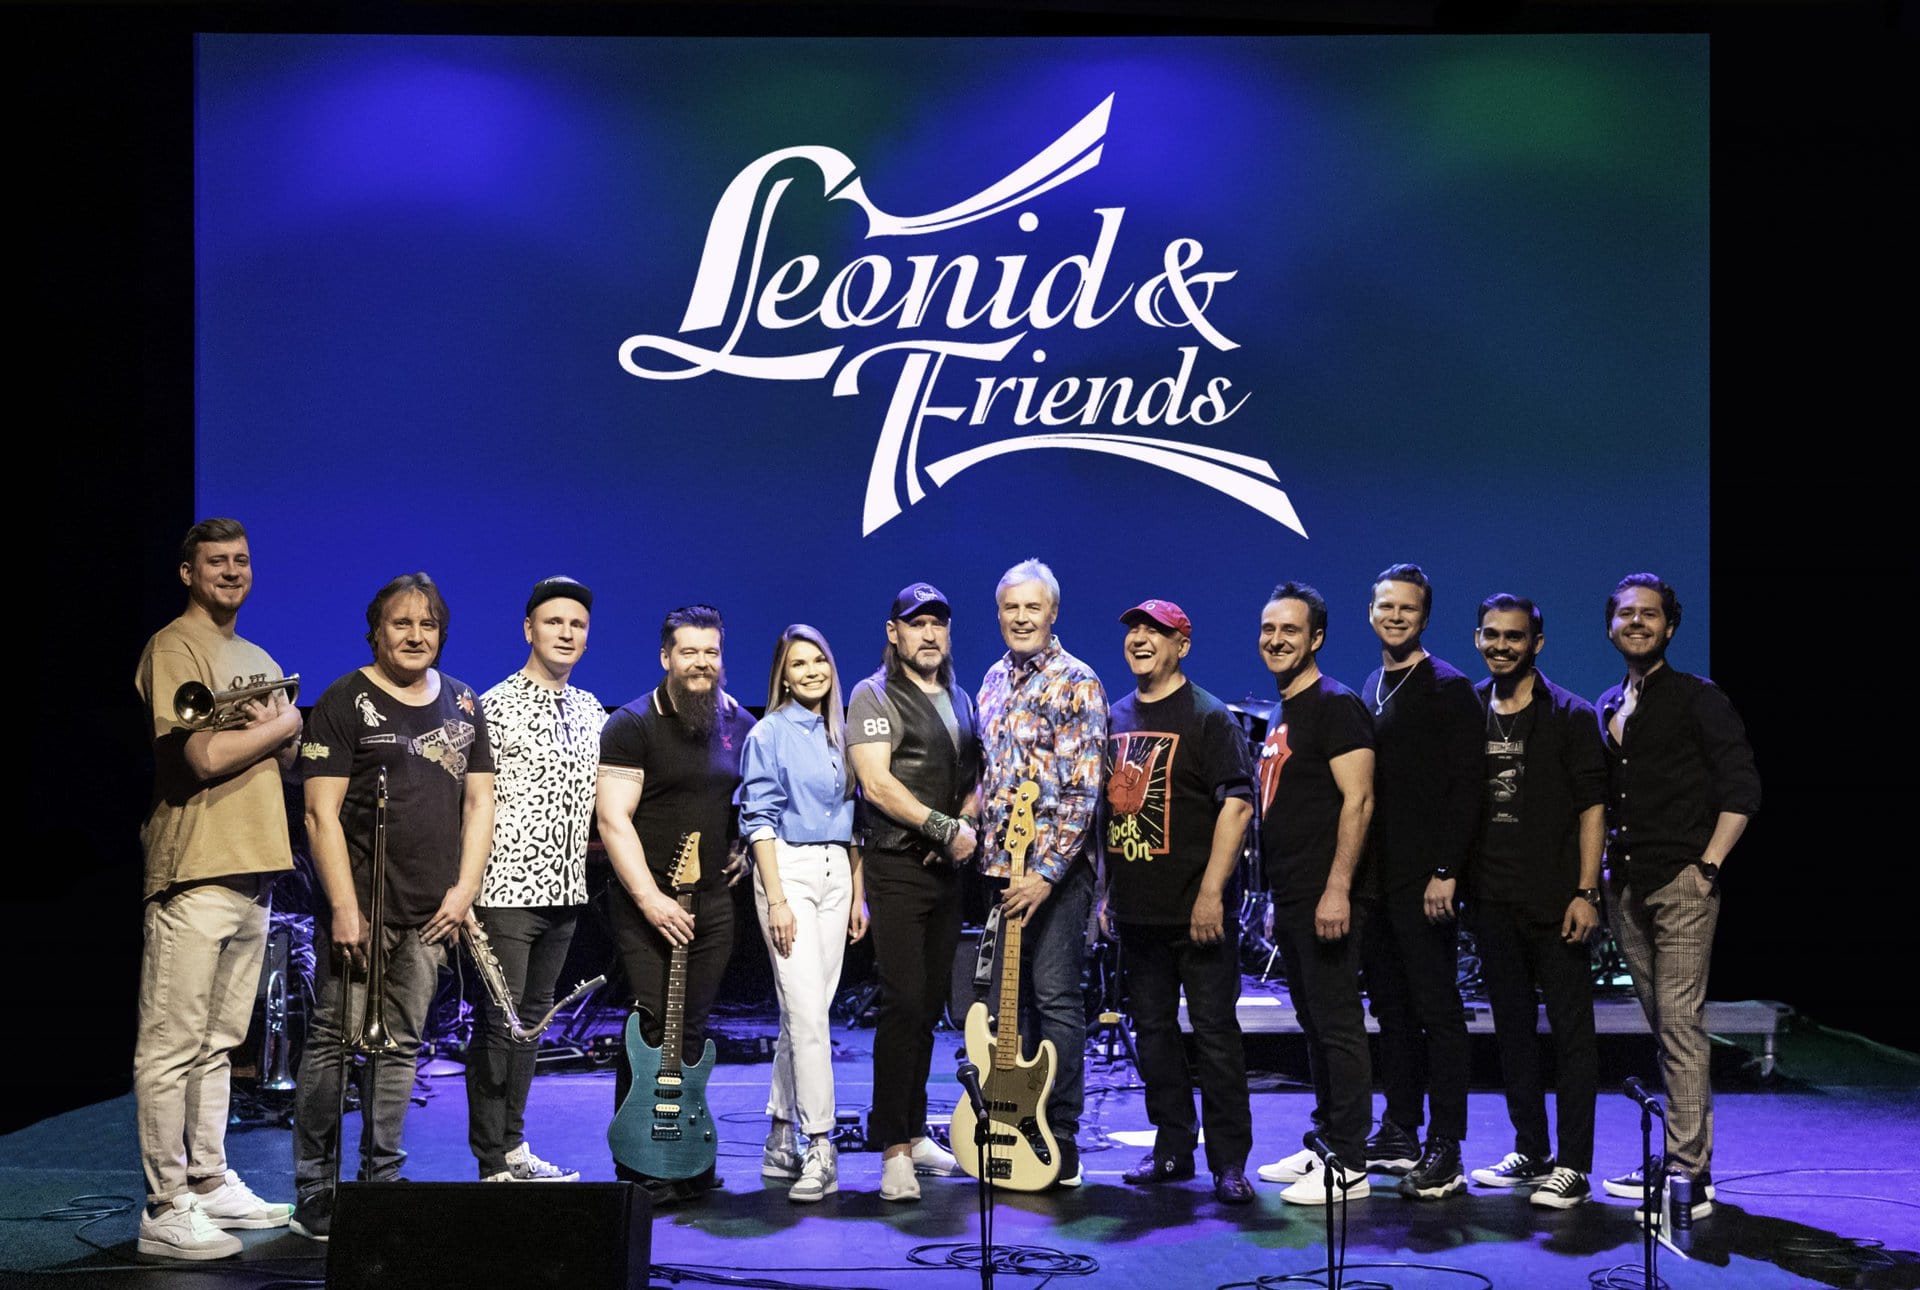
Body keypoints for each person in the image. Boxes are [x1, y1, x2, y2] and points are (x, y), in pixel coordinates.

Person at [292, 573, 497, 1241]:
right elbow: (319, 815)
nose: (415, 635)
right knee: (335, 1042)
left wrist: (464, 890)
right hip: (362, 909)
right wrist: (344, 907)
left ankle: (381, 1180)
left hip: (432, 912)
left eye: (427, 624)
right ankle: (316, 1188)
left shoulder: (463, 702)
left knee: (400, 1046)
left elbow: (480, 802)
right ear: (375, 632)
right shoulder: (344, 700)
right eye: (401, 623)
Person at [133, 518, 302, 1260]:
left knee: (220, 1043)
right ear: (188, 572)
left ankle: (206, 1179)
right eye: (216, 562)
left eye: (241, 561)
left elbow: (287, 762)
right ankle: (164, 1206)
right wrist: (281, 724)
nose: (232, 572)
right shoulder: (175, 645)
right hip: (195, 869)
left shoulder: (258, 657)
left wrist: (284, 733)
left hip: (252, 870)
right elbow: (199, 758)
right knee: (171, 1045)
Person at [1595, 574, 1759, 1222]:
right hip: (1626, 887)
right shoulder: (1610, 701)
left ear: (1670, 625)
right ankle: (1677, 1158)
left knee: (1681, 1029)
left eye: (1650, 614)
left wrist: (1707, 867)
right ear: (1611, 625)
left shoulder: (1698, 697)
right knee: (1666, 1028)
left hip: (1682, 885)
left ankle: (1690, 1173)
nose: (1637, 622)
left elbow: (1742, 789)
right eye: (1626, 613)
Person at [1097, 600, 1256, 1204]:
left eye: (1155, 631)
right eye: (1133, 630)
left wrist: (1211, 894)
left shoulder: (1209, 717)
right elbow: (1108, 814)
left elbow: (1236, 807)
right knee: (1155, 1034)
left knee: (1214, 1036)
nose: (1140, 639)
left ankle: (1229, 1162)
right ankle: (1171, 1148)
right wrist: (1106, 894)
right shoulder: (1114, 716)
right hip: (1139, 912)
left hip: (1199, 914)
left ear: (1181, 645)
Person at [596, 604, 756, 1204]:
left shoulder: (738, 722)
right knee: (651, 1025)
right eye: (689, 652)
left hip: (712, 902)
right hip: (645, 902)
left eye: (711, 652)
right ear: (666, 656)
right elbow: (613, 821)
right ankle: (637, 1163)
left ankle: (684, 1154)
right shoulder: (632, 723)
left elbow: (745, 802)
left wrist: (742, 847)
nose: (701, 663)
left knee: (692, 1027)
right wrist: (650, 899)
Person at [1464, 595, 1606, 1209]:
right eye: (1492, 635)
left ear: (1536, 644)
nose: (1502, 646)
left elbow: (1593, 808)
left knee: (1572, 1036)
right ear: (1478, 639)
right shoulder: (1468, 708)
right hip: (1491, 899)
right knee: (1514, 1032)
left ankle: (1573, 1165)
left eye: (1515, 636)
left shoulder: (1571, 714)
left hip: (1556, 900)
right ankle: (1532, 1150)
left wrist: (1586, 892)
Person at [465, 577, 605, 1183]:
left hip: (565, 893)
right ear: (529, 629)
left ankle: (514, 1146)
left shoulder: (592, 709)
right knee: (500, 1026)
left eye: (577, 625)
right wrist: (464, 891)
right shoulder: (493, 706)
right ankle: (491, 1160)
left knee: (533, 1025)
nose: (566, 633)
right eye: (554, 622)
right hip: (504, 891)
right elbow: (472, 802)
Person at [975, 558, 1108, 1189]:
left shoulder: (1077, 681)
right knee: (1010, 1007)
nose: (1022, 618)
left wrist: (1046, 875)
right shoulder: (991, 680)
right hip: (1001, 872)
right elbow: (988, 774)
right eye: (1011, 607)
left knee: (1055, 998)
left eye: (1033, 607)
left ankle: (1062, 1136)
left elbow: (1085, 792)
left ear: (1052, 612)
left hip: (1056, 875)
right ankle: (1013, 1120)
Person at [845, 583, 979, 1203]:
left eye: (938, 623)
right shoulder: (872, 694)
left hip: (946, 874)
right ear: (893, 632)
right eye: (916, 623)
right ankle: (893, 1147)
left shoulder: (962, 697)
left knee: (927, 1008)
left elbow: (976, 777)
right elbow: (875, 783)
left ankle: (916, 1130)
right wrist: (943, 828)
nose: (929, 633)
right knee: (902, 1004)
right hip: (897, 867)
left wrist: (966, 822)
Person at [1354, 564, 1481, 1200]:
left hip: (1425, 879)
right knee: (1392, 1011)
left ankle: (1446, 1144)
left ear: (1424, 617)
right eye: (1386, 606)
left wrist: (1445, 871)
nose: (1396, 616)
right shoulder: (1373, 682)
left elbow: (1467, 790)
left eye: (1407, 608)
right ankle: (1400, 1128)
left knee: (1437, 1012)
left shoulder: (1448, 688)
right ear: (1372, 612)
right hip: (1377, 881)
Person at [1250, 582, 1377, 1205]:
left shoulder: (1336, 705)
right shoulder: (1284, 710)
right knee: (1313, 1022)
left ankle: (1349, 1162)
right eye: (1269, 629)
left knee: (1337, 1024)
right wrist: (1279, 898)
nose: (1276, 640)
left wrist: (1337, 889)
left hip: (1328, 894)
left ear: (1317, 638)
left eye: (1290, 630)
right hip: (1295, 892)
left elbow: (1360, 801)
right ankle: (1326, 1139)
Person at [739, 625, 865, 1203]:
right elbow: (758, 819)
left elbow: (855, 821)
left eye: (820, 660)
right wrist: (777, 899)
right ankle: (821, 1145)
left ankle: (779, 1134)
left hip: (837, 872)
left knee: (804, 1015)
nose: (812, 671)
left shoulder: (842, 732)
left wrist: (858, 892)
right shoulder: (767, 733)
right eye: (799, 663)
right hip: (786, 869)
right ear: (783, 676)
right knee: (810, 1017)